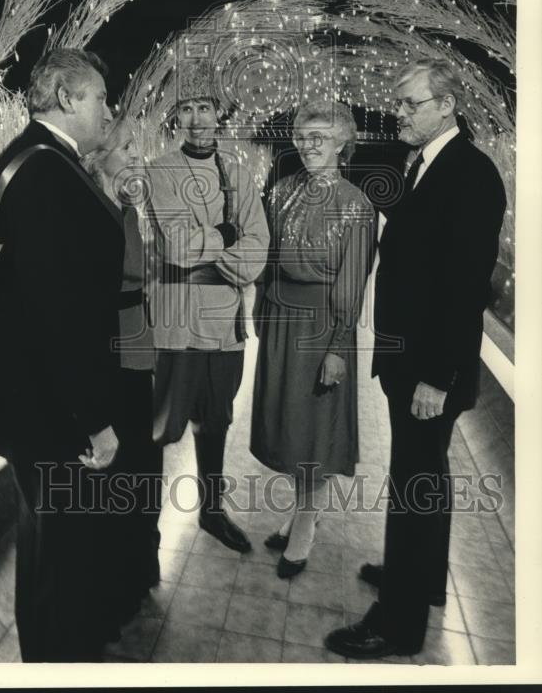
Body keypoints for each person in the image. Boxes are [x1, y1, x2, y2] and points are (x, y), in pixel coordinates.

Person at [325, 58, 507, 659]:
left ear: (446, 105)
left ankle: (396, 625)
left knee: (413, 486)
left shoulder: (471, 175)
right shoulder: (425, 162)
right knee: (426, 478)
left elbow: (464, 288)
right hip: (413, 359)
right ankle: (423, 579)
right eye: (397, 103)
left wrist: (437, 376)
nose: (397, 113)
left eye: (409, 103)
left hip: (429, 368)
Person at [0, 48, 125, 663]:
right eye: (99, 99)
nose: (107, 111)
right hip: (50, 407)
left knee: (49, 550)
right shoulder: (46, 170)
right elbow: (59, 315)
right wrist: (93, 419)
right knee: (54, 558)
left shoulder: (37, 159)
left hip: (36, 395)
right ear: (67, 98)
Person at [146, 59, 269, 552]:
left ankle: (211, 513)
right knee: (160, 430)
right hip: (175, 326)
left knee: (215, 422)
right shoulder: (159, 172)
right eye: (187, 109)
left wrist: (214, 255)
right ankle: (143, 530)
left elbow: (258, 248)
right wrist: (225, 236)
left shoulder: (239, 174)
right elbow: (175, 248)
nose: (197, 119)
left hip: (223, 328)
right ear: (177, 119)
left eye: (205, 108)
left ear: (220, 115)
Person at [251, 101, 376, 577]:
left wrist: (339, 347)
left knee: (314, 432)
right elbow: (265, 259)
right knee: (288, 426)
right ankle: (303, 511)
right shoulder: (281, 191)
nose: (307, 146)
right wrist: (262, 309)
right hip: (282, 323)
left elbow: (352, 282)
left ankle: (305, 524)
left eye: (319, 138)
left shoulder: (357, 204)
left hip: (322, 328)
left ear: (342, 143)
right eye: (302, 136)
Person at [81, 117, 163, 621]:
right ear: (96, 157)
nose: (136, 155)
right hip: (109, 353)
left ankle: (136, 572)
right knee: (120, 474)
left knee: (140, 468)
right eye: (126, 147)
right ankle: (114, 589)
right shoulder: (93, 212)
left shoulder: (126, 207)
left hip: (136, 346)